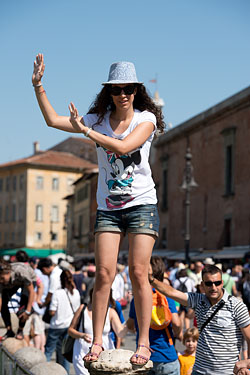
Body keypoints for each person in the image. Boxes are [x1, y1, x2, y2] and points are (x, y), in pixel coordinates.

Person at [32, 53, 164, 365]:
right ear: (109, 92)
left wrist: (86, 131)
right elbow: (52, 120)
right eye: (117, 89)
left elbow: (124, 147)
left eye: (128, 89)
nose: (123, 94)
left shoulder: (146, 119)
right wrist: (39, 86)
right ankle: (96, 340)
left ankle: (143, 343)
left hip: (142, 203)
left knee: (139, 272)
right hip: (108, 207)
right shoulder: (98, 118)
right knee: (103, 273)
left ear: (136, 91)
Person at [149, 264, 250, 375]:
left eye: (217, 283)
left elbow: (249, 338)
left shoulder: (236, 306)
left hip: (226, 372)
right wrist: (151, 279)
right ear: (202, 285)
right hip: (199, 371)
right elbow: (172, 293)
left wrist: (247, 363)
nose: (213, 287)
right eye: (208, 284)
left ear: (222, 283)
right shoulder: (198, 300)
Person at [127, 256, 182, 373]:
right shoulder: (166, 297)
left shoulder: (137, 299)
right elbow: (176, 323)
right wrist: (177, 333)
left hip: (144, 357)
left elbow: (130, 324)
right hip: (166, 355)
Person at [68, 288, 127, 375]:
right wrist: (82, 335)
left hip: (105, 353)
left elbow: (120, 332)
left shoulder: (111, 312)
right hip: (82, 353)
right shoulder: (83, 309)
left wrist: (131, 323)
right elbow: (70, 330)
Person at [45, 270, 81, 374]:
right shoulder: (76, 292)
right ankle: (65, 373)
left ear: (61, 280)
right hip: (69, 326)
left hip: (56, 326)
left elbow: (52, 312)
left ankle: (44, 372)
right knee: (64, 353)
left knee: (48, 351)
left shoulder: (57, 293)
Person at [0, 259, 36, 340]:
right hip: (14, 282)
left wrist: (28, 311)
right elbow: (0, 301)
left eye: (2, 278)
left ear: (8, 273)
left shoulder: (20, 272)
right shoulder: (2, 281)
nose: (1, 281)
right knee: (4, 304)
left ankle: (20, 330)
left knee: (24, 305)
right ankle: (9, 330)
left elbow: (31, 291)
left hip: (29, 278)